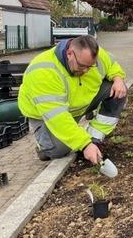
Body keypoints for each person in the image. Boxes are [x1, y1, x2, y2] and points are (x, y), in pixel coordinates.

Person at [18, 35, 127, 164]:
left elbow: (112, 65)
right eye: (82, 66)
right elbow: (58, 117)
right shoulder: (43, 71)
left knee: (119, 90)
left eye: (90, 66)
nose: (86, 70)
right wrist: (84, 144)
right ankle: (45, 146)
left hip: (78, 106)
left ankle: (95, 138)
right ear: (69, 54)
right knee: (59, 151)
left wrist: (118, 78)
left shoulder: (93, 56)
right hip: (48, 116)